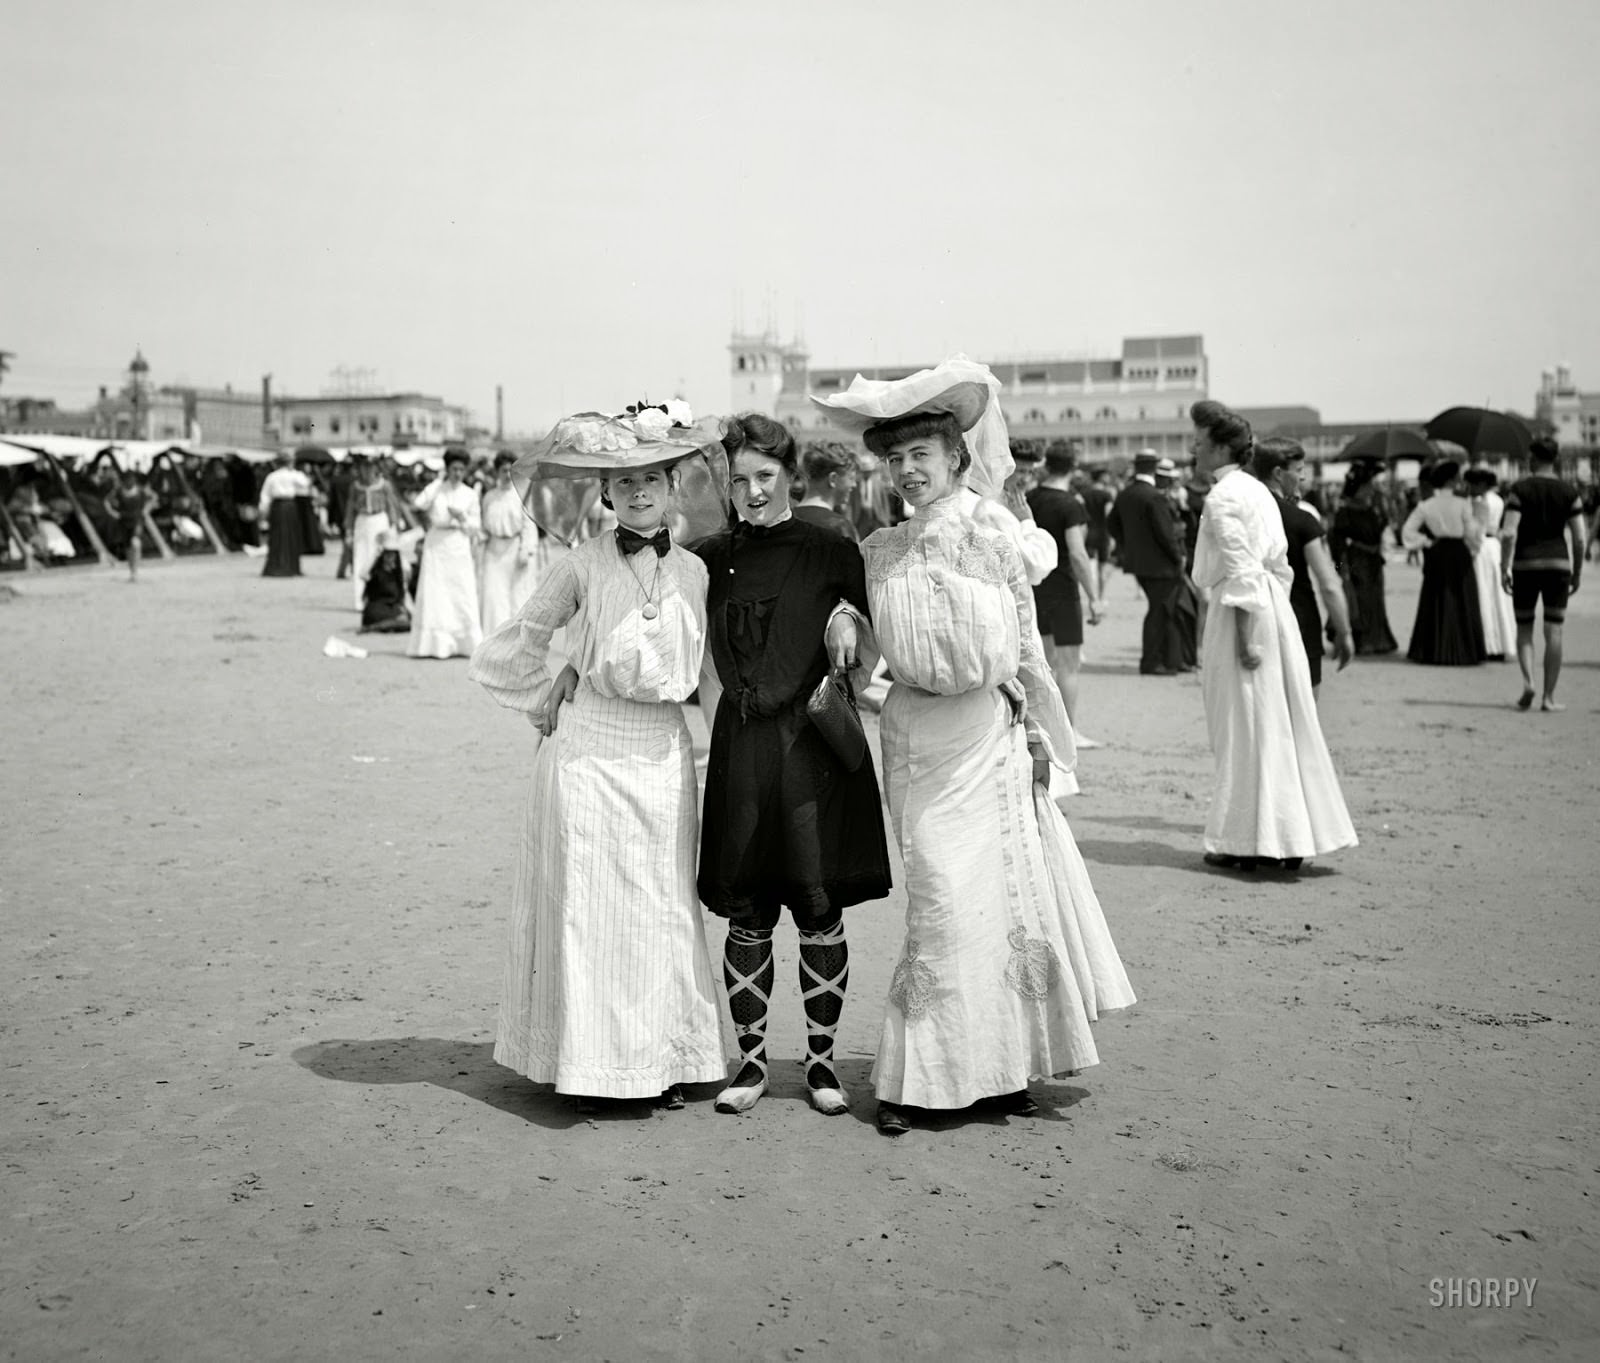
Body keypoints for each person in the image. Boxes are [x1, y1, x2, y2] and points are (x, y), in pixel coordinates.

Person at [811, 358, 1134, 1135]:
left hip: (987, 735)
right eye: (894, 459)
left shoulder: (994, 531)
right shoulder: (881, 548)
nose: (907, 471)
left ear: (957, 457)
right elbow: (872, 641)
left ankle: (998, 1067)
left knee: (996, 903)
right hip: (917, 738)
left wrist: (1037, 736)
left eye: (920, 456)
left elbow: (1023, 644)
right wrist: (847, 625)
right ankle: (920, 1076)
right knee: (939, 900)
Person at [468, 408, 727, 1111]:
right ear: (605, 493)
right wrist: (555, 679)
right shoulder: (579, 564)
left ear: (675, 485)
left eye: (652, 477)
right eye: (623, 480)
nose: (639, 491)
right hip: (588, 754)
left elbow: (710, 673)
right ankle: (590, 1066)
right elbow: (520, 636)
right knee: (591, 910)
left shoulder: (700, 571)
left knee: (660, 907)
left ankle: (664, 1061)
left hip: (662, 752)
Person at [693, 412, 894, 1117]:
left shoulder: (831, 549)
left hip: (811, 755)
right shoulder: (707, 556)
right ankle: (749, 1064)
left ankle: (820, 1065)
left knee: (817, 909)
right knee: (746, 913)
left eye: (765, 477)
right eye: (740, 478)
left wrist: (847, 614)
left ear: (789, 475)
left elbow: (876, 638)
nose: (750, 491)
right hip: (741, 750)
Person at [1190, 399, 1356, 872]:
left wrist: (1246, 637)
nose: (1193, 450)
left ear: (1221, 447)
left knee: (1243, 725)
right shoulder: (1260, 492)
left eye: (1200, 443)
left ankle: (1249, 840)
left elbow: (1241, 571)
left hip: (1243, 612)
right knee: (1278, 723)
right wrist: (1272, 615)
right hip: (1273, 608)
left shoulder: (1223, 498)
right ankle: (1280, 835)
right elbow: (1276, 567)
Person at [1253, 437, 1354, 698]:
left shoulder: (1245, 514)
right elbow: (1329, 582)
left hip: (1253, 620)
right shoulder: (1303, 518)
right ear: (1278, 473)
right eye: (1298, 471)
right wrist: (1343, 632)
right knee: (1304, 713)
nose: (1303, 478)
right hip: (1299, 615)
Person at [1027, 442, 1105, 747]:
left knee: (1046, 663)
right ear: (1074, 466)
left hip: (1035, 587)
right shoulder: (1071, 504)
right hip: (1063, 588)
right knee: (1069, 665)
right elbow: (1078, 554)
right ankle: (1069, 731)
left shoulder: (1029, 498)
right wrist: (1095, 597)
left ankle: (1046, 727)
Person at [1500, 436, 1586, 711]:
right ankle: (1548, 697)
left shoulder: (1519, 490)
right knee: (1554, 630)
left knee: (1524, 628)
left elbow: (1510, 532)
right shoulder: (1569, 491)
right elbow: (1580, 538)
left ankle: (1529, 682)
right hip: (1558, 565)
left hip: (1525, 565)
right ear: (1555, 459)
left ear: (1532, 459)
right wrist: (1578, 572)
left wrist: (1504, 565)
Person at [1108, 448, 1189, 675]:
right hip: (1161, 565)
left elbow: (1111, 523)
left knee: (1158, 610)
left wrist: (1128, 545)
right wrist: (1178, 556)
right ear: (1154, 468)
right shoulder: (1154, 496)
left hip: (1138, 563)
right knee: (1159, 612)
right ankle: (1151, 661)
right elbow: (1165, 533)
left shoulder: (1126, 493)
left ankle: (1165, 658)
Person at [1400, 460, 1486, 666]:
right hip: (1458, 552)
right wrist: (1474, 546)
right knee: (1461, 598)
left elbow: (1407, 531)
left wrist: (1426, 542)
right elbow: (1472, 533)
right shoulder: (1462, 503)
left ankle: (1434, 650)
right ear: (1451, 480)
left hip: (1438, 552)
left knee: (1437, 598)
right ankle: (1464, 650)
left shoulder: (1426, 505)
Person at [406, 449, 483, 660]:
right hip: (436, 545)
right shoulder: (436, 489)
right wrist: (435, 485)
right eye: (453, 469)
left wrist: (463, 517)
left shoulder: (470, 494)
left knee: (461, 592)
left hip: (458, 544)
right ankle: (434, 645)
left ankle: (465, 643)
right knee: (435, 592)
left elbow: (476, 527)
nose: (457, 473)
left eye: (461, 469)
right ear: (447, 469)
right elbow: (418, 504)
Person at [1328, 459, 1399, 655]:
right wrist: (1340, 569)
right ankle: (1359, 640)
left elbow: (1381, 530)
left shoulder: (1373, 510)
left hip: (1374, 562)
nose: (1370, 489)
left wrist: (1385, 508)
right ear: (1357, 488)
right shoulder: (1345, 512)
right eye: (1367, 486)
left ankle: (1376, 639)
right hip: (1355, 563)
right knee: (1359, 601)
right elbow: (1337, 543)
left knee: (1375, 601)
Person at [478, 452, 541, 634]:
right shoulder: (489, 497)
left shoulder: (521, 495)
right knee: (493, 596)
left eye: (509, 470)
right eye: (502, 470)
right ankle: (494, 638)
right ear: (496, 472)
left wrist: (526, 550)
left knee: (517, 596)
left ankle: (515, 639)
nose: (506, 474)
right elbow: (484, 525)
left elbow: (529, 526)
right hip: (493, 550)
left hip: (515, 550)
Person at [1462, 467, 1517, 662]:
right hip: (1495, 547)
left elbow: (1477, 530)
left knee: (1483, 594)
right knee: (1498, 597)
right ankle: (1502, 642)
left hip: (1481, 548)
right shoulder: (1499, 500)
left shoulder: (1480, 502)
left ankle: (1486, 642)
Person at [1155, 457, 1201, 670]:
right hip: (1181, 556)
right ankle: (1184, 657)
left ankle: (1189, 655)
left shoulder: (1182, 496)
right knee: (1183, 607)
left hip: (1189, 552)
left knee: (1190, 606)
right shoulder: (1165, 498)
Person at [343, 458, 407, 611]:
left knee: (379, 558)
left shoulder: (384, 485)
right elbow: (350, 508)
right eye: (364, 468)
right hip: (362, 521)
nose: (367, 472)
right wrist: (348, 531)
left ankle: (380, 596)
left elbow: (391, 505)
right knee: (360, 558)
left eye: (370, 468)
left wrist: (394, 526)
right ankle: (360, 598)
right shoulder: (356, 486)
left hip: (379, 520)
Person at [792, 443, 861, 542]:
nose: (854, 485)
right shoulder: (840, 527)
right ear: (833, 479)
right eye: (851, 478)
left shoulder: (782, 521)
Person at [257, 450, 310, 577]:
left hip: (278, 507)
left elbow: (265, 496)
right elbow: (305, 483)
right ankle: (291, 566)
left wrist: (263, 511)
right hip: (290, 506)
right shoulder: (293, 475)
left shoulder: (272, 476)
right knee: (291, 536)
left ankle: (277, 566)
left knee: (277, 537)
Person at [358, 530, 412, 633]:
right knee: (401, 621)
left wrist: (413, 612)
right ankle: (381, 626)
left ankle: (376, 627)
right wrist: (376, 554)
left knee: (407, 621)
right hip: (376, 609)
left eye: (393, 554)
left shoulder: (399, 574)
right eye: (387, 554)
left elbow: (405, 596)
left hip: (392, 609)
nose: (390, 557)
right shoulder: (376, 571)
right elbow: (362, 574)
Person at [105, 469, 153, 582]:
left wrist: (146, 510)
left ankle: (135, 570)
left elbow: (152, 498)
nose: (130, 481)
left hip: (137, 521)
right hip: (124, 522)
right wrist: (113, 513)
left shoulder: (140, 491)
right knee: (128, 548)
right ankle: (133, 571)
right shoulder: (119, 491)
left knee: (135, 543)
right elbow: (107, 501)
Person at [1081, 464, 1114, 600]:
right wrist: (1112, 536)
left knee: (1088, 567)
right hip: (1103, 533)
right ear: (1101, 477)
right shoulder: (1107, 495)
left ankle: (1091, 596)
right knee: (1102, 568)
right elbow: (1108, 515)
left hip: (1088, 533)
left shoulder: (1084, 494)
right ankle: (1101, 597)